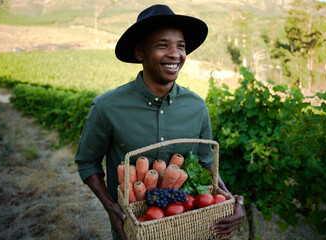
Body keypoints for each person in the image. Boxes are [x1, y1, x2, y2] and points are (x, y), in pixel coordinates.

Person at [75, 4, 244, 240]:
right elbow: (88, 163)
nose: (175, 54)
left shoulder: (196, 107)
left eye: (181, 46)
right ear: (139, 53)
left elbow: (207, 164)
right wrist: (110, 206)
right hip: (135, 230)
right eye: (162, 45)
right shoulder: (107, 107)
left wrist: (230, 199)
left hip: (190, 228)